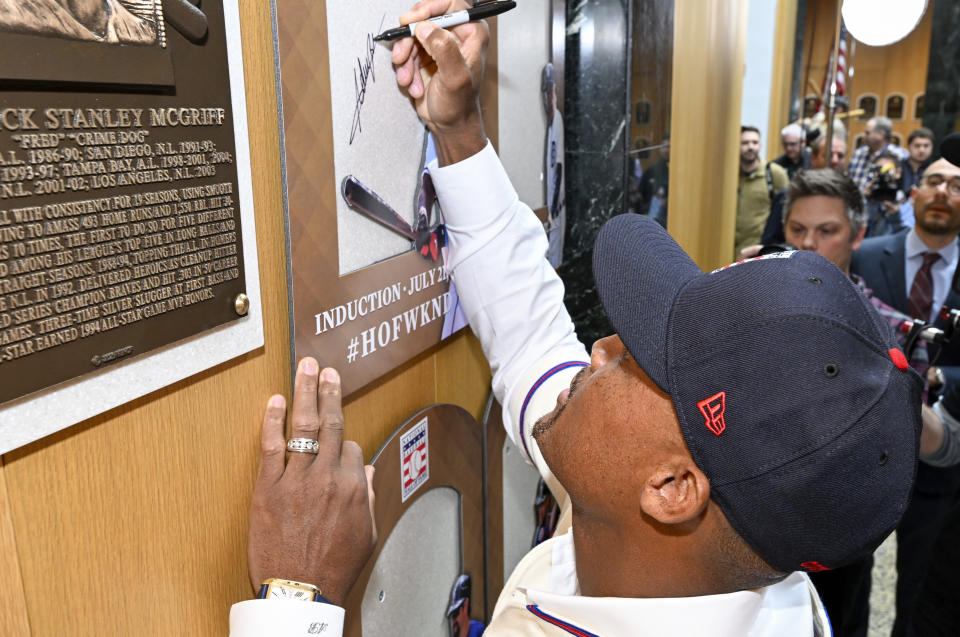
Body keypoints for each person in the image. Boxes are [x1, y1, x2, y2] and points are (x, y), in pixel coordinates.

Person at [230, 3, 922, 635]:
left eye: (642, 360)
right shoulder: (690, 546)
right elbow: (533, 335)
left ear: (673, 489)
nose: (600, 348)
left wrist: (296, 600)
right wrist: (459, 130)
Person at [850, 156, 960, 637]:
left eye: (957, 185)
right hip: (861, 452)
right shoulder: (866, 255)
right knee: (846, 581)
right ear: (913, 192)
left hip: (941, 458)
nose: (943, 191)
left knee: (921, 589)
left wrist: (942, 380)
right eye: (934, 180)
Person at [737, 125, 788, 254]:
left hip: (759, 251)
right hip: (731, 249)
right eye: (745, 143)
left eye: (755, 142)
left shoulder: (774, 173)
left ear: (760, 145)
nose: (750, 147)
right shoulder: (731, 176)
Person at [542, 62, 565, 268]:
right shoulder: (550, 122)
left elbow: (557, 167)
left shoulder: (556, 119)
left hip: (557, 203)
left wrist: (553, 210)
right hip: (552, 202)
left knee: (555, 248)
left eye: (548, 91)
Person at [847, 116, 907, 192]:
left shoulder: (900, 155)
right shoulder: (858, 153)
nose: (863, 136)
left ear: (881, 134)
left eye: (867, 133)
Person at [901, 127, 935, 193]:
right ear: (908, 146)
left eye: (926, 146)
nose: (921, 150)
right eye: (917, 146)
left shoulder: (935, 169)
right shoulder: (898, 166)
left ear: (932, 147)